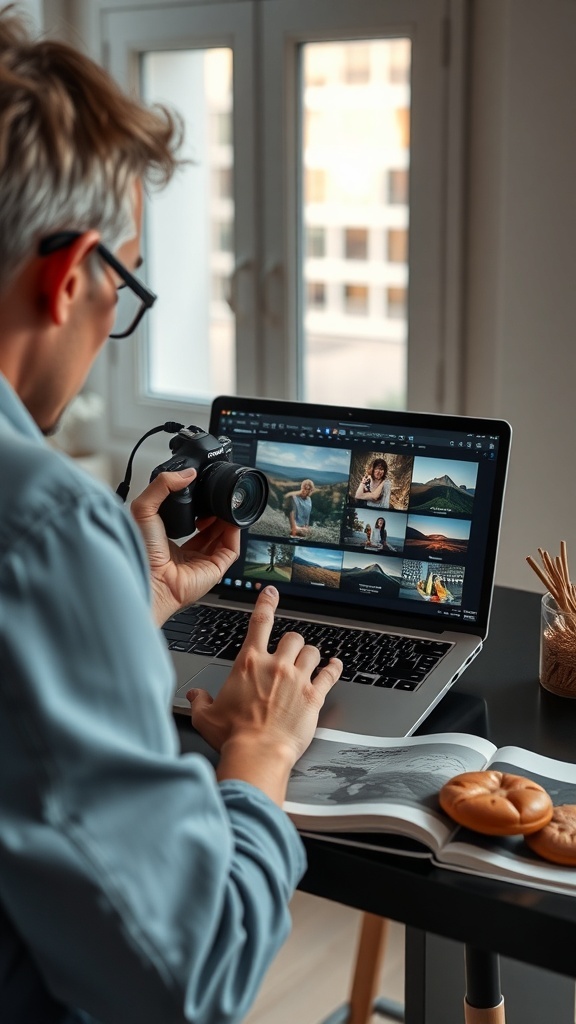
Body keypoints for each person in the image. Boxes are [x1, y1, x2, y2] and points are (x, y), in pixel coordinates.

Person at [0, 10, 342, 1024]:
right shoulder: (47, 530)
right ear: (70, 278)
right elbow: (183, 983)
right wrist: (260, 755)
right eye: (130, 284)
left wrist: (123, 612)